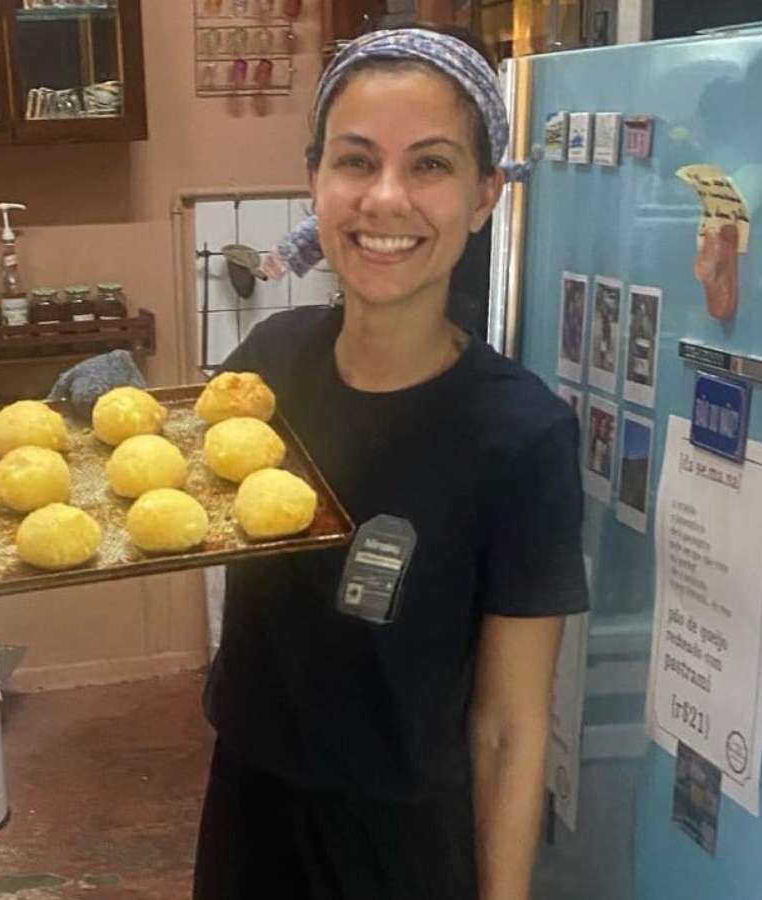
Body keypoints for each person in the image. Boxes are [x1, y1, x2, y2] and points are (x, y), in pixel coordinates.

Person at [194, 25, 588, 900]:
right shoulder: (267, 365)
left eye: (432, 165)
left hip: (404, 855)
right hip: (248, 817)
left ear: (486, 195)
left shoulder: (520, 436)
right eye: (356, 160)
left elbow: (510, 730)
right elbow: (165, 490)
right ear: (314, 179)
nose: (385, 198)